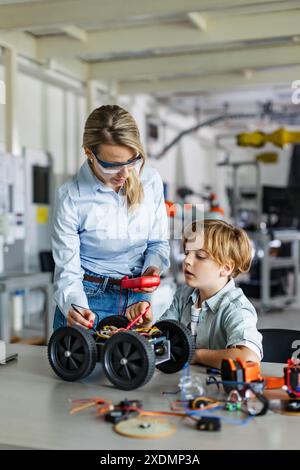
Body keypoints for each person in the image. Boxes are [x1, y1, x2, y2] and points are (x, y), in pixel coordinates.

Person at [52, 104, 170, 330]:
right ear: (89, 152)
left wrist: (152, 268)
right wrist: (74, 305)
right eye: (112, 165)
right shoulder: (71, 196)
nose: (124, 174)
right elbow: (67, 269)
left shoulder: (150, 180)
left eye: (131, 161)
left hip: (136, 302)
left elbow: (158, 242)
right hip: (87, 299)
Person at [126, 219, 262, 369]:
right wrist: (147, 326)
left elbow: (249, 358)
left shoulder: (236, 308)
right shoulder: (184, 294)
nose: (187, 261)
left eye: (200, 256)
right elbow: (164, 338)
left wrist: (194, 355)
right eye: (187, 253)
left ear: (226, 268)